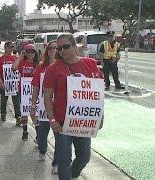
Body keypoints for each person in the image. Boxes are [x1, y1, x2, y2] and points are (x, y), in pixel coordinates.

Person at [43, 33, 104, 180]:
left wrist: (101, 116)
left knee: (84, 157)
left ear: (74, 45)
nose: (62, 50)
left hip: (83, 122)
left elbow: (98, 93)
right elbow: (47, 97)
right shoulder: (53, 69)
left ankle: (72, 176)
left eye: (66, 46)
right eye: (59, 48)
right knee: (64, 161)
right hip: (62, 124)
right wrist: (52, 120)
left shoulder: (90, 64)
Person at [30, 40, 59, 172]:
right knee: (42, 134)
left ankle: (57, 163)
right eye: (51, 48)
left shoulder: (64, 66)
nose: (53, 50)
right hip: (43, 106)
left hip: (59, 108)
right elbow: (36, 86)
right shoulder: (41, 67)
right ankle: (42, 150)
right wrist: (33, 104)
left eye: (56, 48)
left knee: (60, 137)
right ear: (47, 51)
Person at [12, 44, 39, 140]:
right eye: (28, 52)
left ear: (35, 53)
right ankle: (25, 131)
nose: (30, 54)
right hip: (23, 91)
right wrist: (20, 56)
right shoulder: (22, 63)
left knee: (34, 113)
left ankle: (38, 133)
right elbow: (14, 68)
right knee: (24, 111)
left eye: (32, 51)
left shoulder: (38, 64)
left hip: (35, 91)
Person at [0, 41, 21, 124]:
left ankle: (18, 117)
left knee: (16, 101)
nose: (10, 49)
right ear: (5, 48)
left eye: (12, 47)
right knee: (3, 100)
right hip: (4, 82)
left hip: (13, 83)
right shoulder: (1, 59)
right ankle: (3, 113)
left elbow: (19, 70)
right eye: (9, 47)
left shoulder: (15, 58)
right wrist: (1, 82)